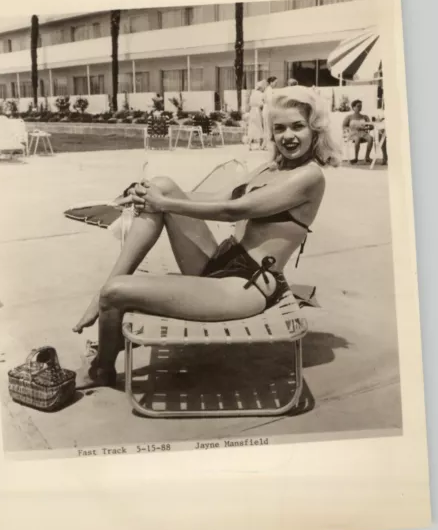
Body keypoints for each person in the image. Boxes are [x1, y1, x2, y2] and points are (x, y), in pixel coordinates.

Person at [72, 86, 341, 389]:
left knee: (114, 292)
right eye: (279, 128)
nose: (287, 136)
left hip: (246, 286)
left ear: (314, 129)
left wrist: (165, 204)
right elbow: (215, 196)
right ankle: (104, 297)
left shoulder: (309, 176)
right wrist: (151, 194)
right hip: (221, 261)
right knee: (161, 183)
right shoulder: (271, 167)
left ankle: (101, 368)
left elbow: (232, 210)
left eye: (297, 126)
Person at [342, 99, 374, 164]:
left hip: (363, 133)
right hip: (353, 133)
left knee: (370, 138)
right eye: (358, 106)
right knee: (357, 138)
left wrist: (368, 127)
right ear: (353, 108)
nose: (360, 108)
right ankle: (356, 158)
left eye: (361, 106)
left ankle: (367, 157)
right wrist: (350, 128)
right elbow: (344, 126)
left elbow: (371, 126)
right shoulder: (349, 117)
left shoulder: (365, 116)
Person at [246, 80, 266, 150]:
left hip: (252, 111)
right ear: (261, 88)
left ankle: (249, 145)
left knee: (251, 127)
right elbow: (261, 104)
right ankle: (261, 145)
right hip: (258, 111)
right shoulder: (261, 94)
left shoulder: (253, 94)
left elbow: (250, 103)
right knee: (260, 127)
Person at [261, 76, 279, 149]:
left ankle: (264, 145)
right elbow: (269, 101)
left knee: (267, 127)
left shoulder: (269, 89)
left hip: (267, 108)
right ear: (271, 82)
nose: (276, 84)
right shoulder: (269, 90)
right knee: (268, 127)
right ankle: (267, 145)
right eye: (275, 82)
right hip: (268, 109)